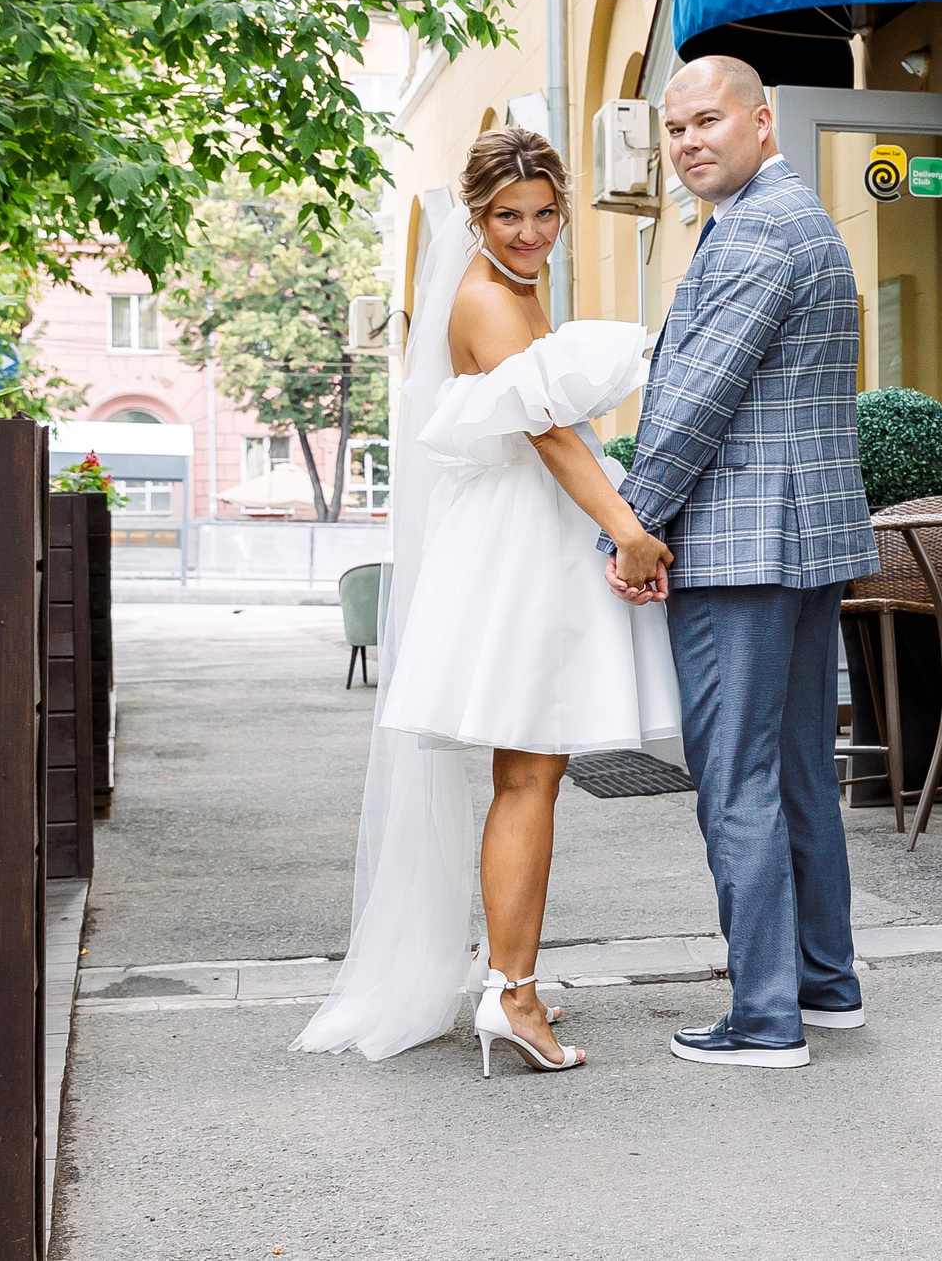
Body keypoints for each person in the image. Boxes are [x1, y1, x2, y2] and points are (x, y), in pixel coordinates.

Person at [291, 127, 679, 1072]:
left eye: (546, 213)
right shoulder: (488, 300)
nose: (531, 232)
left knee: (532, 774)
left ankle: (511, 983)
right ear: (476, 216)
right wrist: (627, 528)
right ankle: (515, 994)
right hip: (514, 549)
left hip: (514, 538)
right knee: (529, 778)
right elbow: (549, 434)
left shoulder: (512, 287)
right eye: (509, 216)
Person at [602, 54, 882, 1068]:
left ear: (763, 122)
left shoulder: (759, 229)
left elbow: (692, 407)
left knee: (736, 780)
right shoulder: (794, 214)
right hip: (800, 544)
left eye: (706, 122)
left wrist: (627, 527)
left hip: (738, 550)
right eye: (674, 130)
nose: (686, 144)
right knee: (799, 770)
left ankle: (765, 1018)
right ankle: (825, 982)